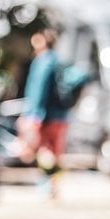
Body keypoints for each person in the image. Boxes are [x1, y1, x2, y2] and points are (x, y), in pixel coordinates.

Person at [17, 29, 67, 199]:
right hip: (62, 115)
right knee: (55, 152)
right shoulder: (58, 60)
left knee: (45, 151)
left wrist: (32, 115)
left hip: (44, 115)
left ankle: (46, 184)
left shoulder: (43, 61)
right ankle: (55, 184)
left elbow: (38, 90)